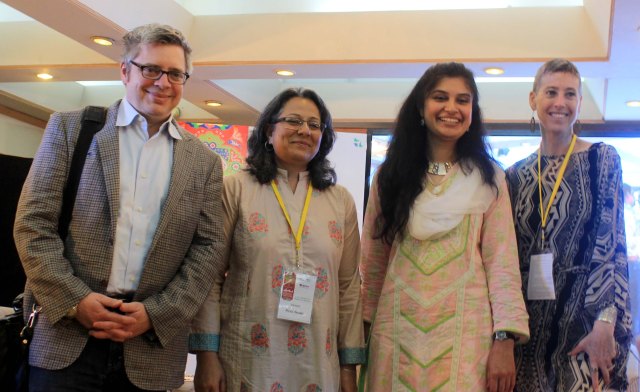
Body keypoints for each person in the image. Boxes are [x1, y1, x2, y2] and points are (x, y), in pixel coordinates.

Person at [13, 23, 225, 391]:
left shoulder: (203, 162)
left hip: (151, 348)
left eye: (175, 73)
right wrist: (76, 301)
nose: (163, 82)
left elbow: (209, 249)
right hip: (66, 338)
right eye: (151, 69)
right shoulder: (71, 129)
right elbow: (33, 225)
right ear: (125, 70)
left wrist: (156, 314)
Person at [360, 62, 529, 392]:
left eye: (463, 100)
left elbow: (502, 266)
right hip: (396, 337)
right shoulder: (389, 176)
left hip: (467, 342)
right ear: (421, 107)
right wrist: (358, 341)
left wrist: (505, 339)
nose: (452, 108)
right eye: (440, 97)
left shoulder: (489, 178)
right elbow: (372, 263)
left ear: (472, 112)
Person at [189, 88, 365, 391]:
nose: (304, 130)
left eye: (314, 124)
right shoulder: (236, 189)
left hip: (319, 361)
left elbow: (348, 286)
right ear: (269, 131)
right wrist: (207, 356)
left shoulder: (340, 201)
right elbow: (209, 278)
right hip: (249, 356)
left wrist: (349, 367)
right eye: (294, 121)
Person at [506, 58, 632, 391]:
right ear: (534, 100)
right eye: (551, 92)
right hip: (528, 331)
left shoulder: (602, 160)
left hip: (586, 327)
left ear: (579, 103)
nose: (560, 102)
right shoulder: (514, 175)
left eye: (570, 94)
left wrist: (606, 323)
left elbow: (612, 244)